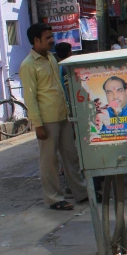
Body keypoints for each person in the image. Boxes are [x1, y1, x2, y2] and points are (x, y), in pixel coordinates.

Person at [20, 22, 87, 211]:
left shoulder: (50, 58)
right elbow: (30, 97)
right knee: (49, 161)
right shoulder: (28, 65)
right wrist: (38, 124)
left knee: (71, 156)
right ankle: (54, 198)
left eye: (51, 36)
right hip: (47, 119)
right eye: (48, 37)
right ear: (36, 40)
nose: (52, 40)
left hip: (62, 115)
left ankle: (81, 192)